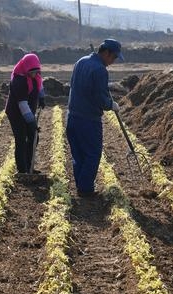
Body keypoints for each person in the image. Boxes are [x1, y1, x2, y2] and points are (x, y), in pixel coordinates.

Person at [66, 39, 123, 197]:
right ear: (106, 53)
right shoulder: (100, 70)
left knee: (79, 154)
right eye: (113, 57)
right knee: (93, 154)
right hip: (88, 119)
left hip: (72, 116)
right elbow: (99, 98)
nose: (113, 62)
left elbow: (74, 86)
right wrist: (111, 104)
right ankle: (86, 190)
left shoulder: (81, 61)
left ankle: (81, 186)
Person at [5, 53, 46, 174]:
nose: (34, 74)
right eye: (31, 72)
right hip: (16, 113)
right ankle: (22, 171)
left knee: (34, 138)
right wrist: (32, 122)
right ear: (26, 68)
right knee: (21, 139)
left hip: (28, 110)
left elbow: (40, 84)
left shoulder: (35, 75)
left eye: (36, 71)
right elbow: (22, 104)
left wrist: (42, 97)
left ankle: (29, 166)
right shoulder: (18, 80)